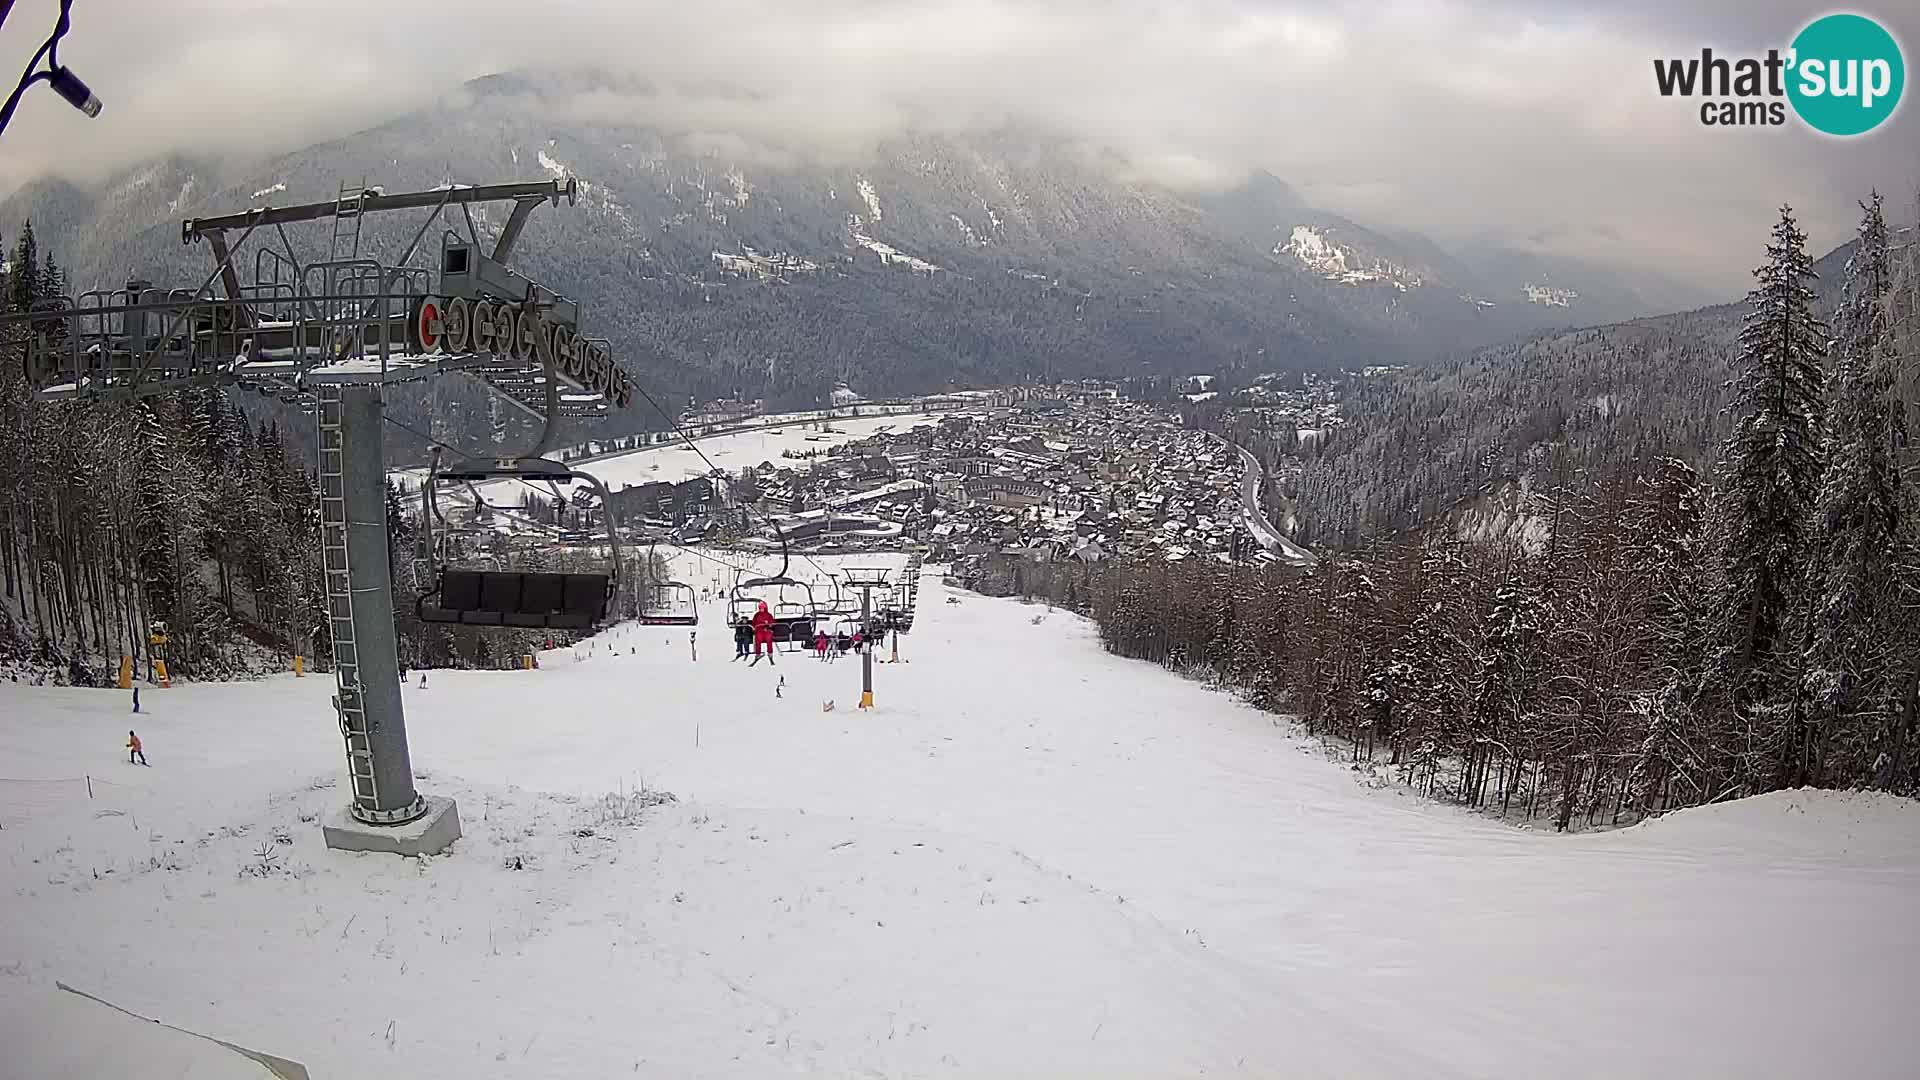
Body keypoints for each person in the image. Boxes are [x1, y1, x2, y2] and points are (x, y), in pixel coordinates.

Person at [749, 601, 776, 666]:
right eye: (760, 608)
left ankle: (770, 653)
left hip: (766, 630)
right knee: (758, 638)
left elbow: (772, 621)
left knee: (769, 638)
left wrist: (769, 624)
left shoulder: (769, 615)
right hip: (759, 630)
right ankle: (758, 653)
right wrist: (754, 627)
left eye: (762, 608)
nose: (761, 609)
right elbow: (754, 622)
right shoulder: (757, 615)